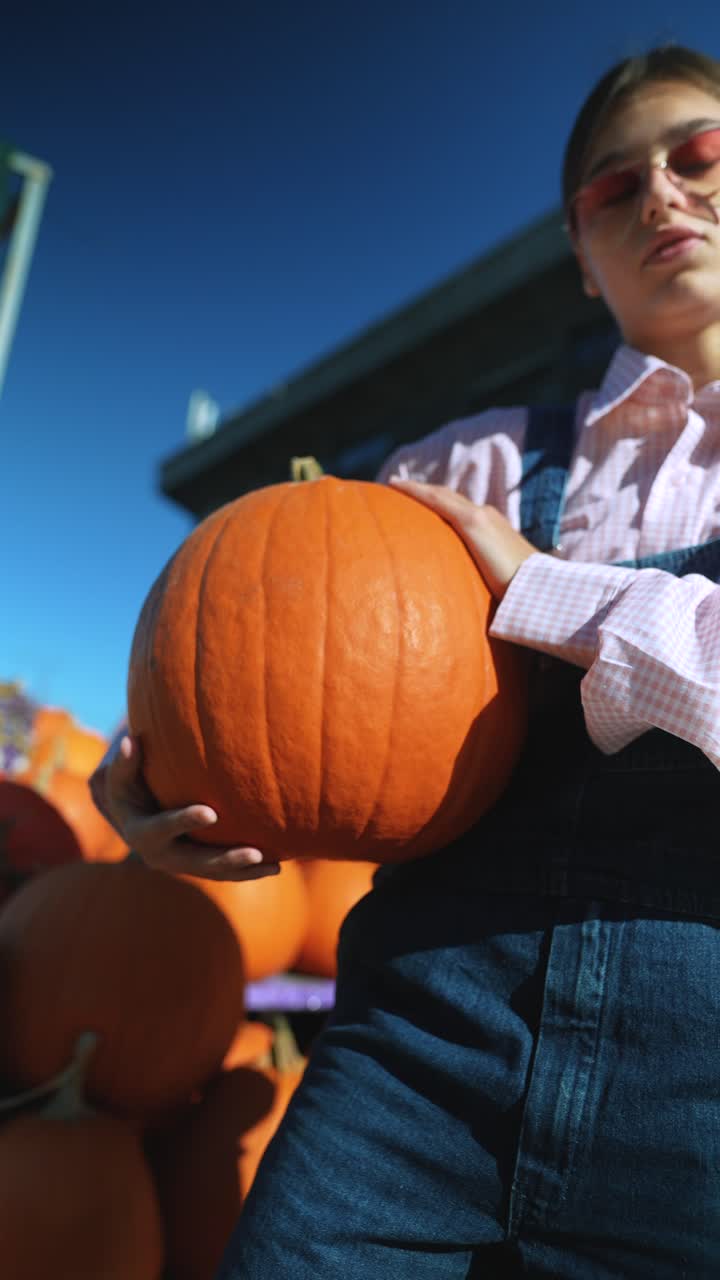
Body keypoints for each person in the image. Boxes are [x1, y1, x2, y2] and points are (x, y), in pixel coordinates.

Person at [93, 44, 720, 1277]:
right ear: (582, 261)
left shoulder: (487, 514)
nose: (658, 194)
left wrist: (543, 588)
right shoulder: (471, 463)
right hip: (414, 1060)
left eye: (700, 154)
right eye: (609, 188)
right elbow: (282, 635)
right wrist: (155, 773)